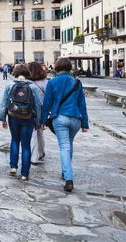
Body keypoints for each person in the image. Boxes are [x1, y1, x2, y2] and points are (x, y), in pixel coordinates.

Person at [40, 58, 89, 192]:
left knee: (64, 147)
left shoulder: (53, 82)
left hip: (60, 118)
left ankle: (68, 178)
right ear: (69, 68)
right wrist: (85, 123)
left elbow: (47, 103)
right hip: (76, 119)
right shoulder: (77, 82)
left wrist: (43, 121)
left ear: (56, 68)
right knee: (69, 144)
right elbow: (82, 105)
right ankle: (65, 171)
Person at [0, 64, 42, 181]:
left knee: (15, 140)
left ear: (15, 73)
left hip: (13, 116)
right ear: (27, 73)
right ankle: (25, 173)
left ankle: (13, 166)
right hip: (28, 117)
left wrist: (2, 118)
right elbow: (37, 105)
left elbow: (3, 103)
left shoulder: (10, 85)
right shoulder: (32, 87)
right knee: (26, 145)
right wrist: (38, 121)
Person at [27, 62, 48, 164]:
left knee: (33, 133)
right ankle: (41, 151)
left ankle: (34, 157)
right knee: (39, 131)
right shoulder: (45, 82)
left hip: (29, 110)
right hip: (42, 110)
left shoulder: (27, 82)